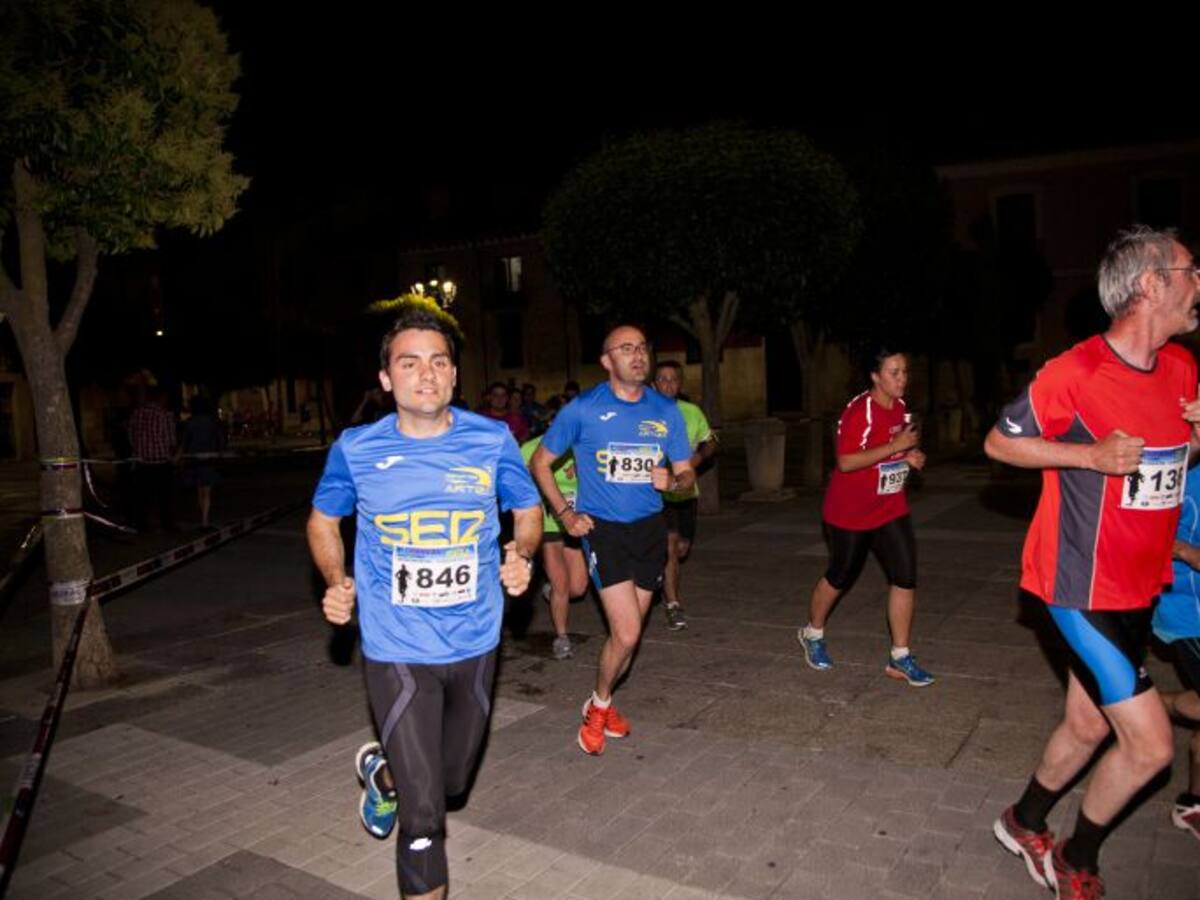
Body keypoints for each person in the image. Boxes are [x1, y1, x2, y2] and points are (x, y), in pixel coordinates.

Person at [986, 225, 1200, 899]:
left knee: (1085, 724)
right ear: (1151, 283)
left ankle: (1022, 821)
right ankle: (1078, 857)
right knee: (1151, 748)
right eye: (1191, 271)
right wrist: (1087, 455)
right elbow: (999, 444)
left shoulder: (1184, 370)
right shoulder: (1073, 372)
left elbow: (1168, 468)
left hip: (1142, 584)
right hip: (1078, 582)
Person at [307, 306, 542, 900]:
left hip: (476, 640)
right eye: (408, 363)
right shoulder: (357, 449)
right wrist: (336, 579)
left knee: (453, 781)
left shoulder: (490, 440)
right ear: (386, 379)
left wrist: (524, 551)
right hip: (396, 648)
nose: (426, 374)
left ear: (455, 376)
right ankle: (408, 800)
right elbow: (323, 519)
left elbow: (528, 507)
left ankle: (383, 775)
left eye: (439, 362)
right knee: (426, 818)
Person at [531, 325, 693, 755]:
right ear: (607, 361)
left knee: (631, 636)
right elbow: (540, 463)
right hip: (604, 531)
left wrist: (674, 480)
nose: (638, 355)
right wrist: (565, 515)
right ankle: (598, 707)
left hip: (650, 530)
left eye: (642, 347)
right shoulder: (583, 410)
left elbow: (686, 470)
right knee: (625, 632)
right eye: (626, 349)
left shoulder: (666, 410)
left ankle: (600, 700)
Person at [797, 349, 932, 686]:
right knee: (841, 575)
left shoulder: (900, 408)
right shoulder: (859, 411)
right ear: (875, 376)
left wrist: (909, 455)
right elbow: (846, 462)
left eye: (904, 372)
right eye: (894, 372)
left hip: (889, 507)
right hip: (850, 512)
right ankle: (812, 633)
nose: (902, 379)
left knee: (905, 576)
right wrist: (895, 447)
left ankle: (900, 656)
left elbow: (894, 449)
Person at [1153, 458, 1200, 843]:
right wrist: (1186, 552)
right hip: (1189, 611)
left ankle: (1192, 803)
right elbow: (1143, 531)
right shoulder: (1180, 469)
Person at [652, 360, 717, 631]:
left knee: (680, 550)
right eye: (662, 379)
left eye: (673, 379)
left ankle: (657, 576)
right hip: (656, 494)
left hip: (686, 493)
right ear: (654, 384)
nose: (668, 384)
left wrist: (698, 458)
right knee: (670, 545)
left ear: (680, 384)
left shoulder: (691, 412)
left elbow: (711, 440)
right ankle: (673, 605)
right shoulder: (644, 414)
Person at [520, 431, 589, 659]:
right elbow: (514, 482)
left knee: (577, 588)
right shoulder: (532, 448)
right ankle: (562, 637)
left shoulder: (584, 444)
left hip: (572, 524)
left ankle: (551, 592)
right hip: (547, 525)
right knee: (561, 583)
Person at [127, 386, 177, 532]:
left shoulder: (137, 414)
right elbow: (171, 440)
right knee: (165, 497)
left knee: (143, 497)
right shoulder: (165, 414)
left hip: (142, 462)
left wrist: (138, 449)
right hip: (161, 462)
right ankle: (167, 525)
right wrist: (173, 455)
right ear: (161, 397)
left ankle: (141, 525)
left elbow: (130, 436)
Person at [179, 395, 224, 528]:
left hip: (194, 459)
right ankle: (205, 518)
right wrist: (219, 452)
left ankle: (203, 518)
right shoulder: (212, 422)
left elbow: (184, 442)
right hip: (209, 458)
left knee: (200, 490)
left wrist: (180, 457)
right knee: (206, 490)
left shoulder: (189, 423)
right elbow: (219, 439)